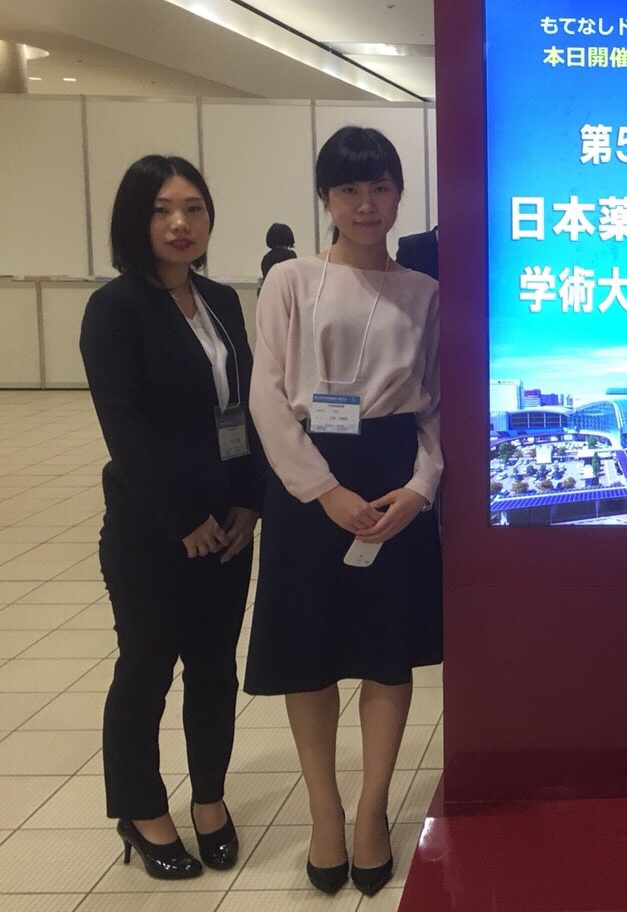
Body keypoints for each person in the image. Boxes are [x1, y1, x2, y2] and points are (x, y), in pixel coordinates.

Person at [246, 125, 442, 898]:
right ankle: (324, 811)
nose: (367, 204)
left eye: (381, 187)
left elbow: (437, 405)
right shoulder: (291, 280)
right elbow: (267, 396)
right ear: (326, 197)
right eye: (349, 189)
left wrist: (421, 488)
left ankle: (372, 811)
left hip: (393, 475)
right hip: (309, 482)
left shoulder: (424, 291)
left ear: (399, 193)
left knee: (387, 653)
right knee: (311, 650)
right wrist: (323, 489)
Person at [79, 155, 263, 879]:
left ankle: (209, 800)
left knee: (215, 668)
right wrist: (185, 517)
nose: (180, 223)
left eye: (193, 208)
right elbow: (125, 429)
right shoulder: (116, 309)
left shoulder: (219, 299)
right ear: (135, 221)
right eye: (161, 210)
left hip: (228, 525)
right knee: (146, 669)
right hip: (153, 531)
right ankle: (141, 809)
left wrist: (249, 501)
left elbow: (243, 409)